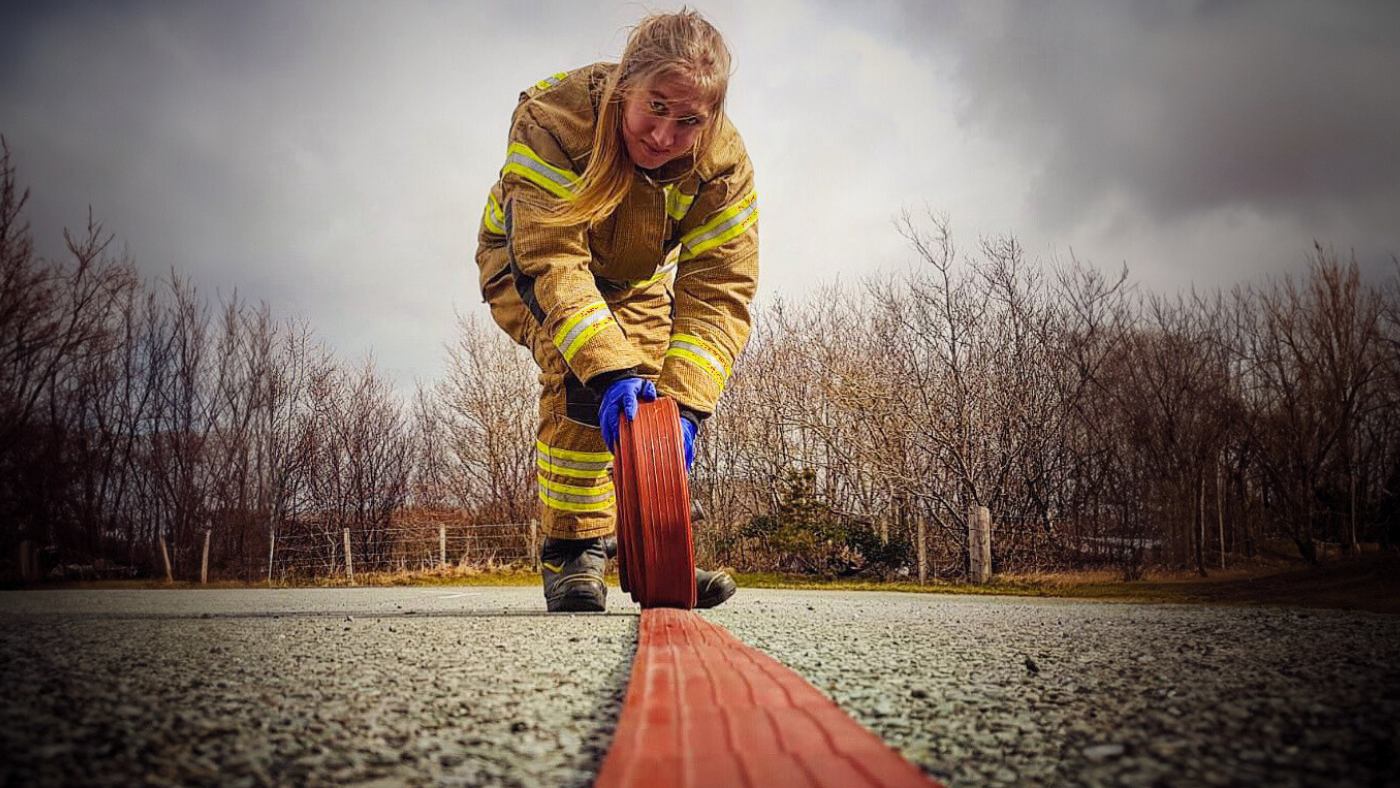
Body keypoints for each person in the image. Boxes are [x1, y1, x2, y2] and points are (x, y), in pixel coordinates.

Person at [473, 9, 758, 612]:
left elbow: (720, 289)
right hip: (524, 259)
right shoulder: (554, 116)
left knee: (652, 397)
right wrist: (607, 371)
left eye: (688, 121)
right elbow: (552, 262)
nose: (665, 136)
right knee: (583, 375)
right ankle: (572, 550)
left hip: (632, 279)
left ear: (711, 117)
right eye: (656, 107)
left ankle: (656, 550)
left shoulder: (723, 165)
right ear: (628, 85)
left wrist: (685, 403)